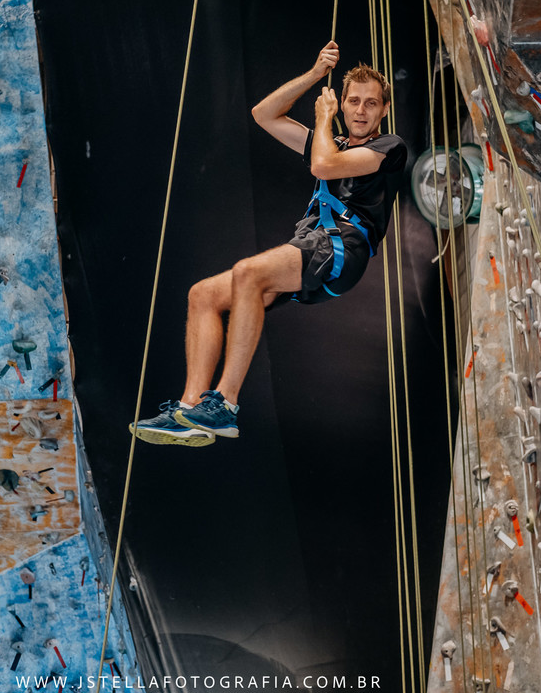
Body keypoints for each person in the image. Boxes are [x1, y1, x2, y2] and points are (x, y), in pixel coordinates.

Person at [131, 41, 407, 446]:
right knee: (203, 294)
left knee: (248, 272)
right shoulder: (327, 140)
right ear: (344, 104)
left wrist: (324, 119)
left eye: (371, 103)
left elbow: (322, 165)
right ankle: (190, 410)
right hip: (313, 246)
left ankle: (225, 403)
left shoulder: (389, 147)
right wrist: (315, 75)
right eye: (353, 102)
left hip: (342, 250)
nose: (361, 111)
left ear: (384, 110)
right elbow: (264, 114)